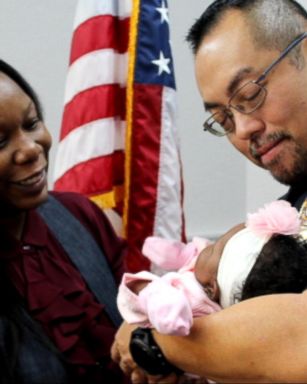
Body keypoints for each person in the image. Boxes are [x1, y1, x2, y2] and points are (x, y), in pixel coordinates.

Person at [111, 0, 307, 382]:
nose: (243, 129)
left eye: (249, 96)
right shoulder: (289, 209)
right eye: (222, 118)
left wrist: (154, 342)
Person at [0, 59, 130, 384]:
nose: (31, 149)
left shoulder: (78, 215)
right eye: (0, 142)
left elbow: (138, 313)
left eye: (31, 123)